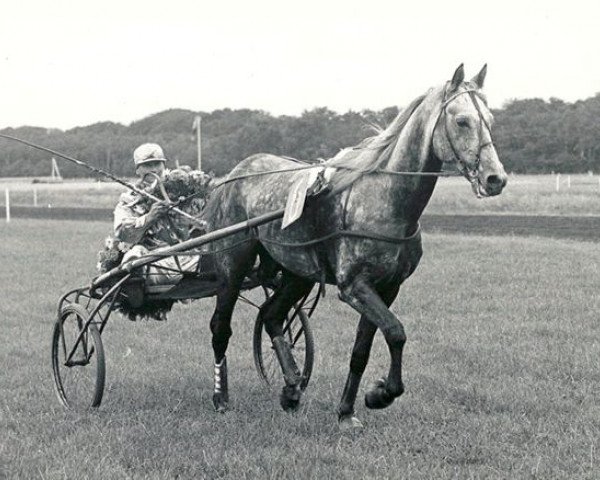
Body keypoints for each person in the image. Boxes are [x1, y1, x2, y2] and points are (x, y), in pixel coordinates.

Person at [113, 143, 200, 293]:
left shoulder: (182, 185)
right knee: (134, 256)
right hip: (153, 260)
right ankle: (135, 289)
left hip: (189, 256)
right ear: (137, 170)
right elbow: (123, 233)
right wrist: (149, 217)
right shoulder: (129, 199)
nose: (153, 169)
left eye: (156, 164)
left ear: (164, 164)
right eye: (147, 165)